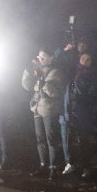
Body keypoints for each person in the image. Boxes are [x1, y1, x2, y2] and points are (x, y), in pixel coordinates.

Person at [22, 48, 65, 179]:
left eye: (44, 57)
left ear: (51, 58)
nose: (41, 59)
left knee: (51, 139)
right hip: (36, 108)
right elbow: (26, 86)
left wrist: (43, 83)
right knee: (40, 139)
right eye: (39, 57)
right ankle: (43, 165)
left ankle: (54, 167)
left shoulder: (56, 72)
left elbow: (56, 93)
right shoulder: (38, 71)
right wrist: (29, 72)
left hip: (49, 110)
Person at [62, 51, 97, 174]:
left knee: (84, 140)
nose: (85, 60)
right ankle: (70, 163)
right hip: (68, 110)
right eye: (83, 58)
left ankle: (86, 167)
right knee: (66, 138)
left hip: (83, 112)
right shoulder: (71, 72)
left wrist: (90, 112)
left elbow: (94, 96)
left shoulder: (93, 75)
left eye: (88, 59)